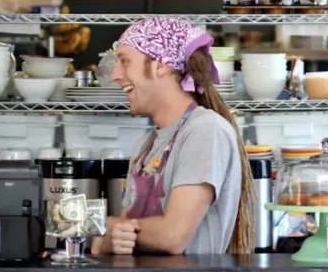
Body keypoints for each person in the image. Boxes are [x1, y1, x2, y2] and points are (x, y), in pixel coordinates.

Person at [91, 17, 256, 255]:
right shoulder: (146, 145)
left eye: (125, 62)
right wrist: (108, 237)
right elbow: (112, 242)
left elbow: (173, 237)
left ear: (160, 65)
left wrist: (110, 227)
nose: (116, 75)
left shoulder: (205, 131)